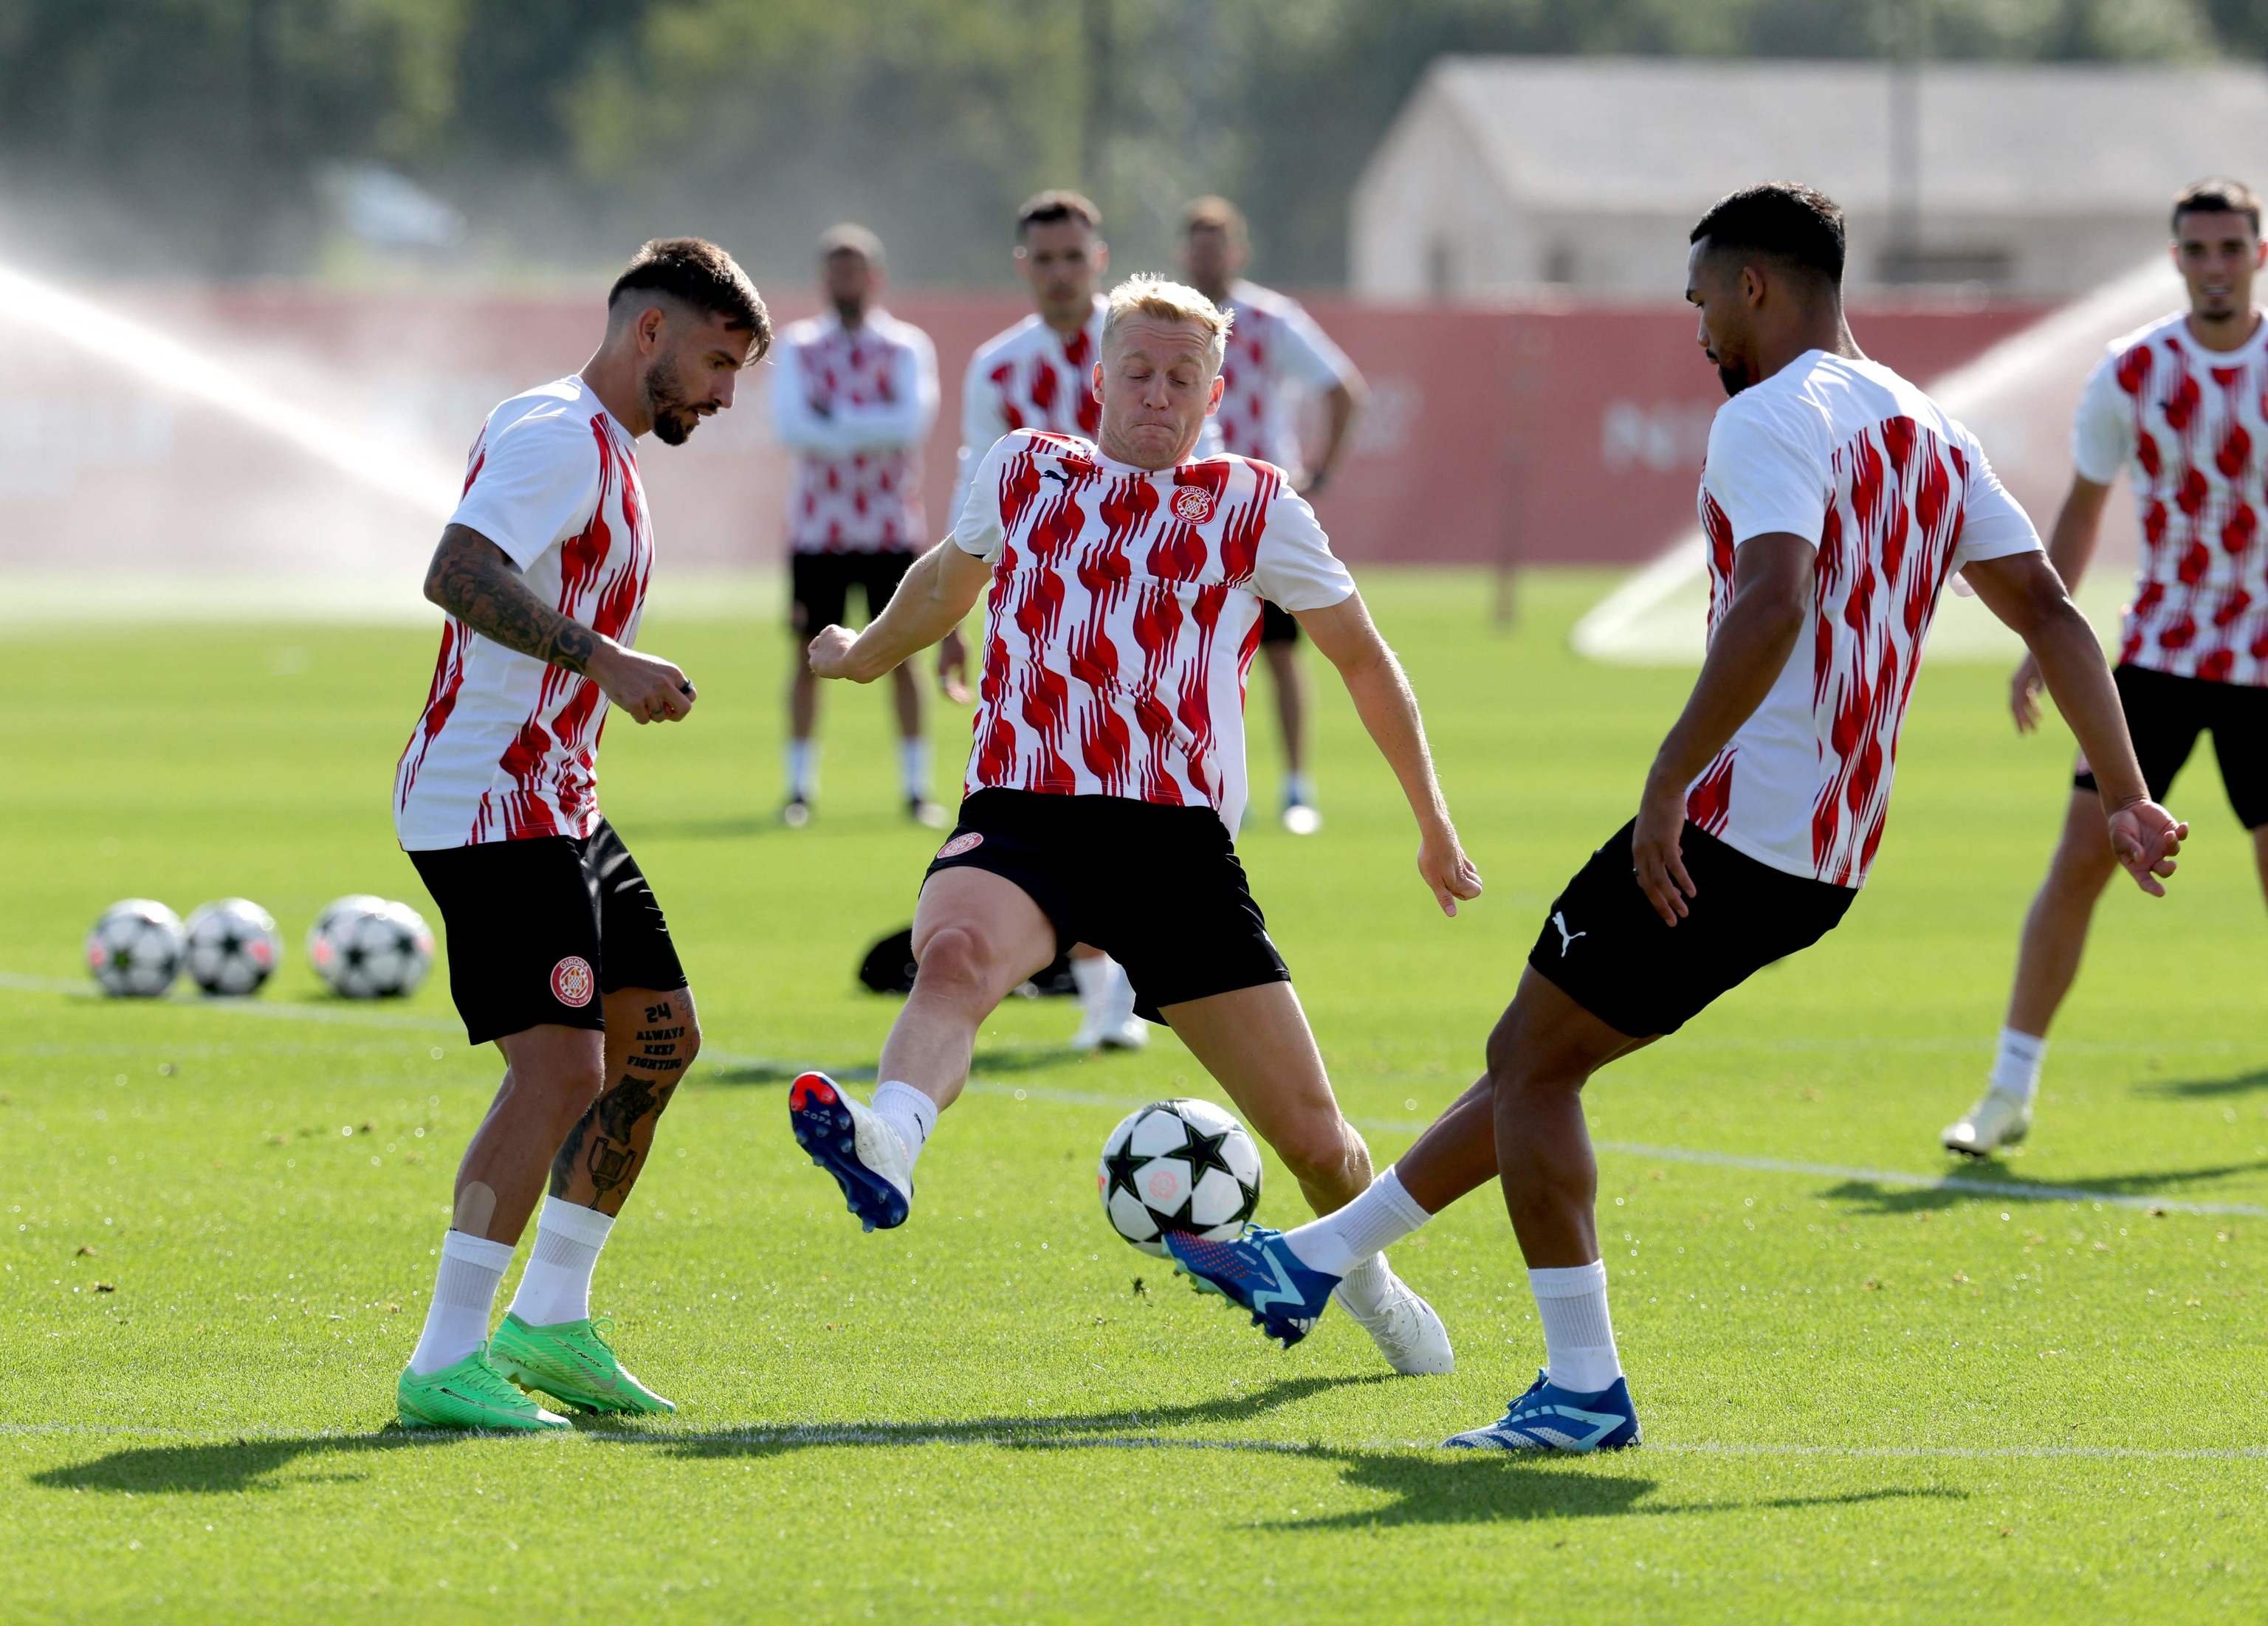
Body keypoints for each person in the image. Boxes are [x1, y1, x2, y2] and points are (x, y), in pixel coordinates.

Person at [1166, 184, 2188, 1451]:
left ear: (1755, 285)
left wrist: (1662, 785)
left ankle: (1581, 1389)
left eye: (1702, 297)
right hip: (1826, 857)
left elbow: (1771, 604)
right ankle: (1313, 1261)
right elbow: (2051, 612)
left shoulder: (1769, 415)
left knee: (1531, 1064)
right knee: (1543, 1053)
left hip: (1727, 827)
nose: (1697, 326)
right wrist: (2129, 794)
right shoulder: (1933, 430)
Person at [793, 273, 1485, 1377]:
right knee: (957, 954)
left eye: (1182, 378)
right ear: (1098, 377)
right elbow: (947, 582)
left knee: (1314, 1139)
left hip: (1174, 846)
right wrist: (863, 651)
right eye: (1138, 371)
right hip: (1026, 813)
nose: (1157, 393)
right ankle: (890, 1142)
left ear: (1214, 395)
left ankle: (1368, 1279)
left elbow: (1363, 657)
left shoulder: (1256, 504)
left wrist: (1432, 819)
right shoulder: (1023, 469)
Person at [391, 238, 772, 1431]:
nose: (722, 393)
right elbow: (456, 571)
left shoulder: (604, 443)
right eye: (716, 360)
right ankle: (443, 1361)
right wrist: (604, 659)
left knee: (657, 1039)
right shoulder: (558, 434)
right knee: (560, 1066)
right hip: (488, 799)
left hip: (557, 794)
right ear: (647, 331)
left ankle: (549, 1321)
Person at [1945, 177, 2268, 1157]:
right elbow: (2083, 511)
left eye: (2230, 248)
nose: (2214, 266)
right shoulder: (2132, 372)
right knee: (2083, 857)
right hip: (2162, 653)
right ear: (2176, 261)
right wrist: (2051, 638)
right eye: (2196, 250)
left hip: (2266, 658)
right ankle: (2007, 1090)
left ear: (2258, 254)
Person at [952, 189, 1155, 1050]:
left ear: (1100, 259)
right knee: (1063, 794)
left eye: (1076, 256)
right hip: (1041, 618)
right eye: (1046, 259)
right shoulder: (999, 369)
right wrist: (952, 613)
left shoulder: (1147, 343)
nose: (1062, 274)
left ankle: (1139, 979)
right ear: (1023, 267)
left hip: (1148, 606)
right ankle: (1101, 992)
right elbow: (976, 502)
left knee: (1148, 796)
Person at [1181, 196, 1367, 834]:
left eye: (1218, 245)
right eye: (1197, 246)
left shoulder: (1267, 317)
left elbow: (1343, 388)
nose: (1207, 258)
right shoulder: (1170, 318)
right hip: (1193, 507)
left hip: (1261, 506)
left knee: (1285, 649)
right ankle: (1212, 784)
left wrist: (1322, 472)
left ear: (1237, 252)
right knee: (1199, 651)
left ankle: (1295, 786)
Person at [771, 224, 948, 828]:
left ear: (876, 277)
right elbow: (793, 427)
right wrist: (864, 423)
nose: (846, 282)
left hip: (889, 526)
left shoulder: (905, 347)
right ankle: (798, 788)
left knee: (905, 656)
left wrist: (836, 417)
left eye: (856, 270)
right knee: (805, 656)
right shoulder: (796, 346)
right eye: (836, 271)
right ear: (824, 280)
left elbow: (909, 425)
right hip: (819, 530)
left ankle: (916, 788)